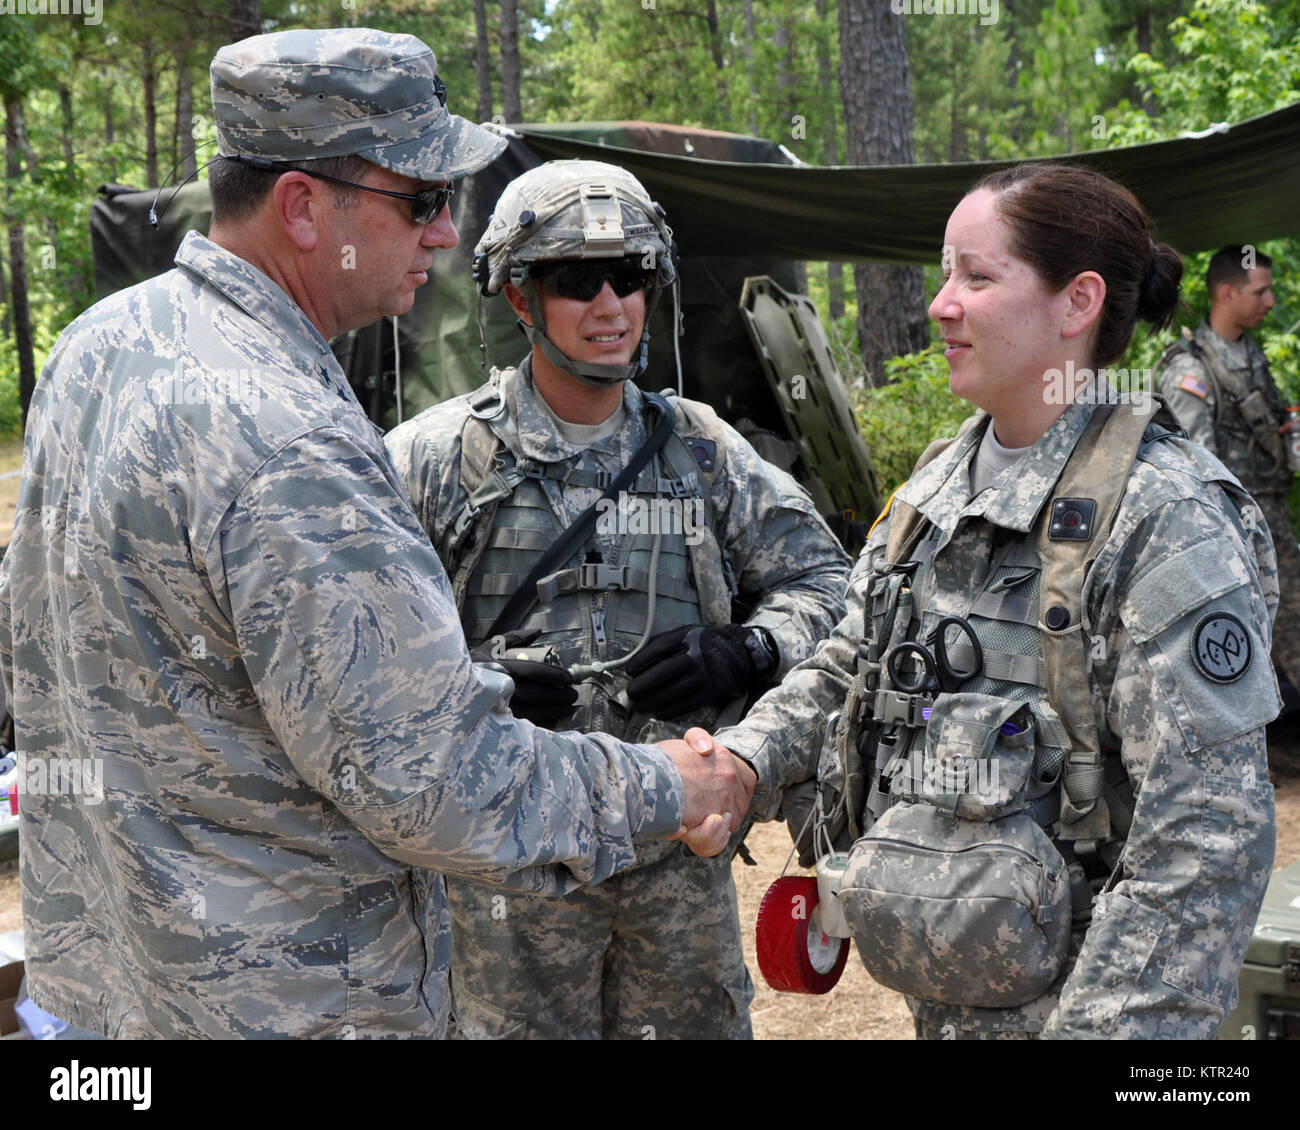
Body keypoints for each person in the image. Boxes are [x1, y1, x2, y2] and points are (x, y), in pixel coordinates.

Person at [0, 28, 753, 1040]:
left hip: (107, 996)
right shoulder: (288, 435)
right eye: (423, 201)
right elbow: (437, 780)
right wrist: (672, 780)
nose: (445, 236)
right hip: (286, 1000)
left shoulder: (103, 344)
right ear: (304, 208)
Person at [716, 164, 1279, 1039]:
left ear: (1077, 302)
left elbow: (1204, 844)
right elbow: (846, 668)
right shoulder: (937, 486)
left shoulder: (1166, 517)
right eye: (946, 275)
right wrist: (741, 763)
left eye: (977, 277)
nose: (941, 304)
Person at [385, 159, 851, 1039]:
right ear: (522, 301)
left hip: (675, 859)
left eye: (630, 278)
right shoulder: (434, 460)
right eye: (576, 281)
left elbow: (829, 588)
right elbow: (361, 652)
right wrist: (473, 682)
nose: (611, 306)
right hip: (507, 872)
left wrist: (747, 651)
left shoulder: (701, 450)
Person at [1156, 246, 1300, 766]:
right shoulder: (1191, 367)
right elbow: (1194, 463)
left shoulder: (1251, 356)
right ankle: (1241, 757)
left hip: (1272, 524)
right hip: (1225, 533)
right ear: (1226, 292)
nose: (1271, 300)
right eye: (1261, 290)